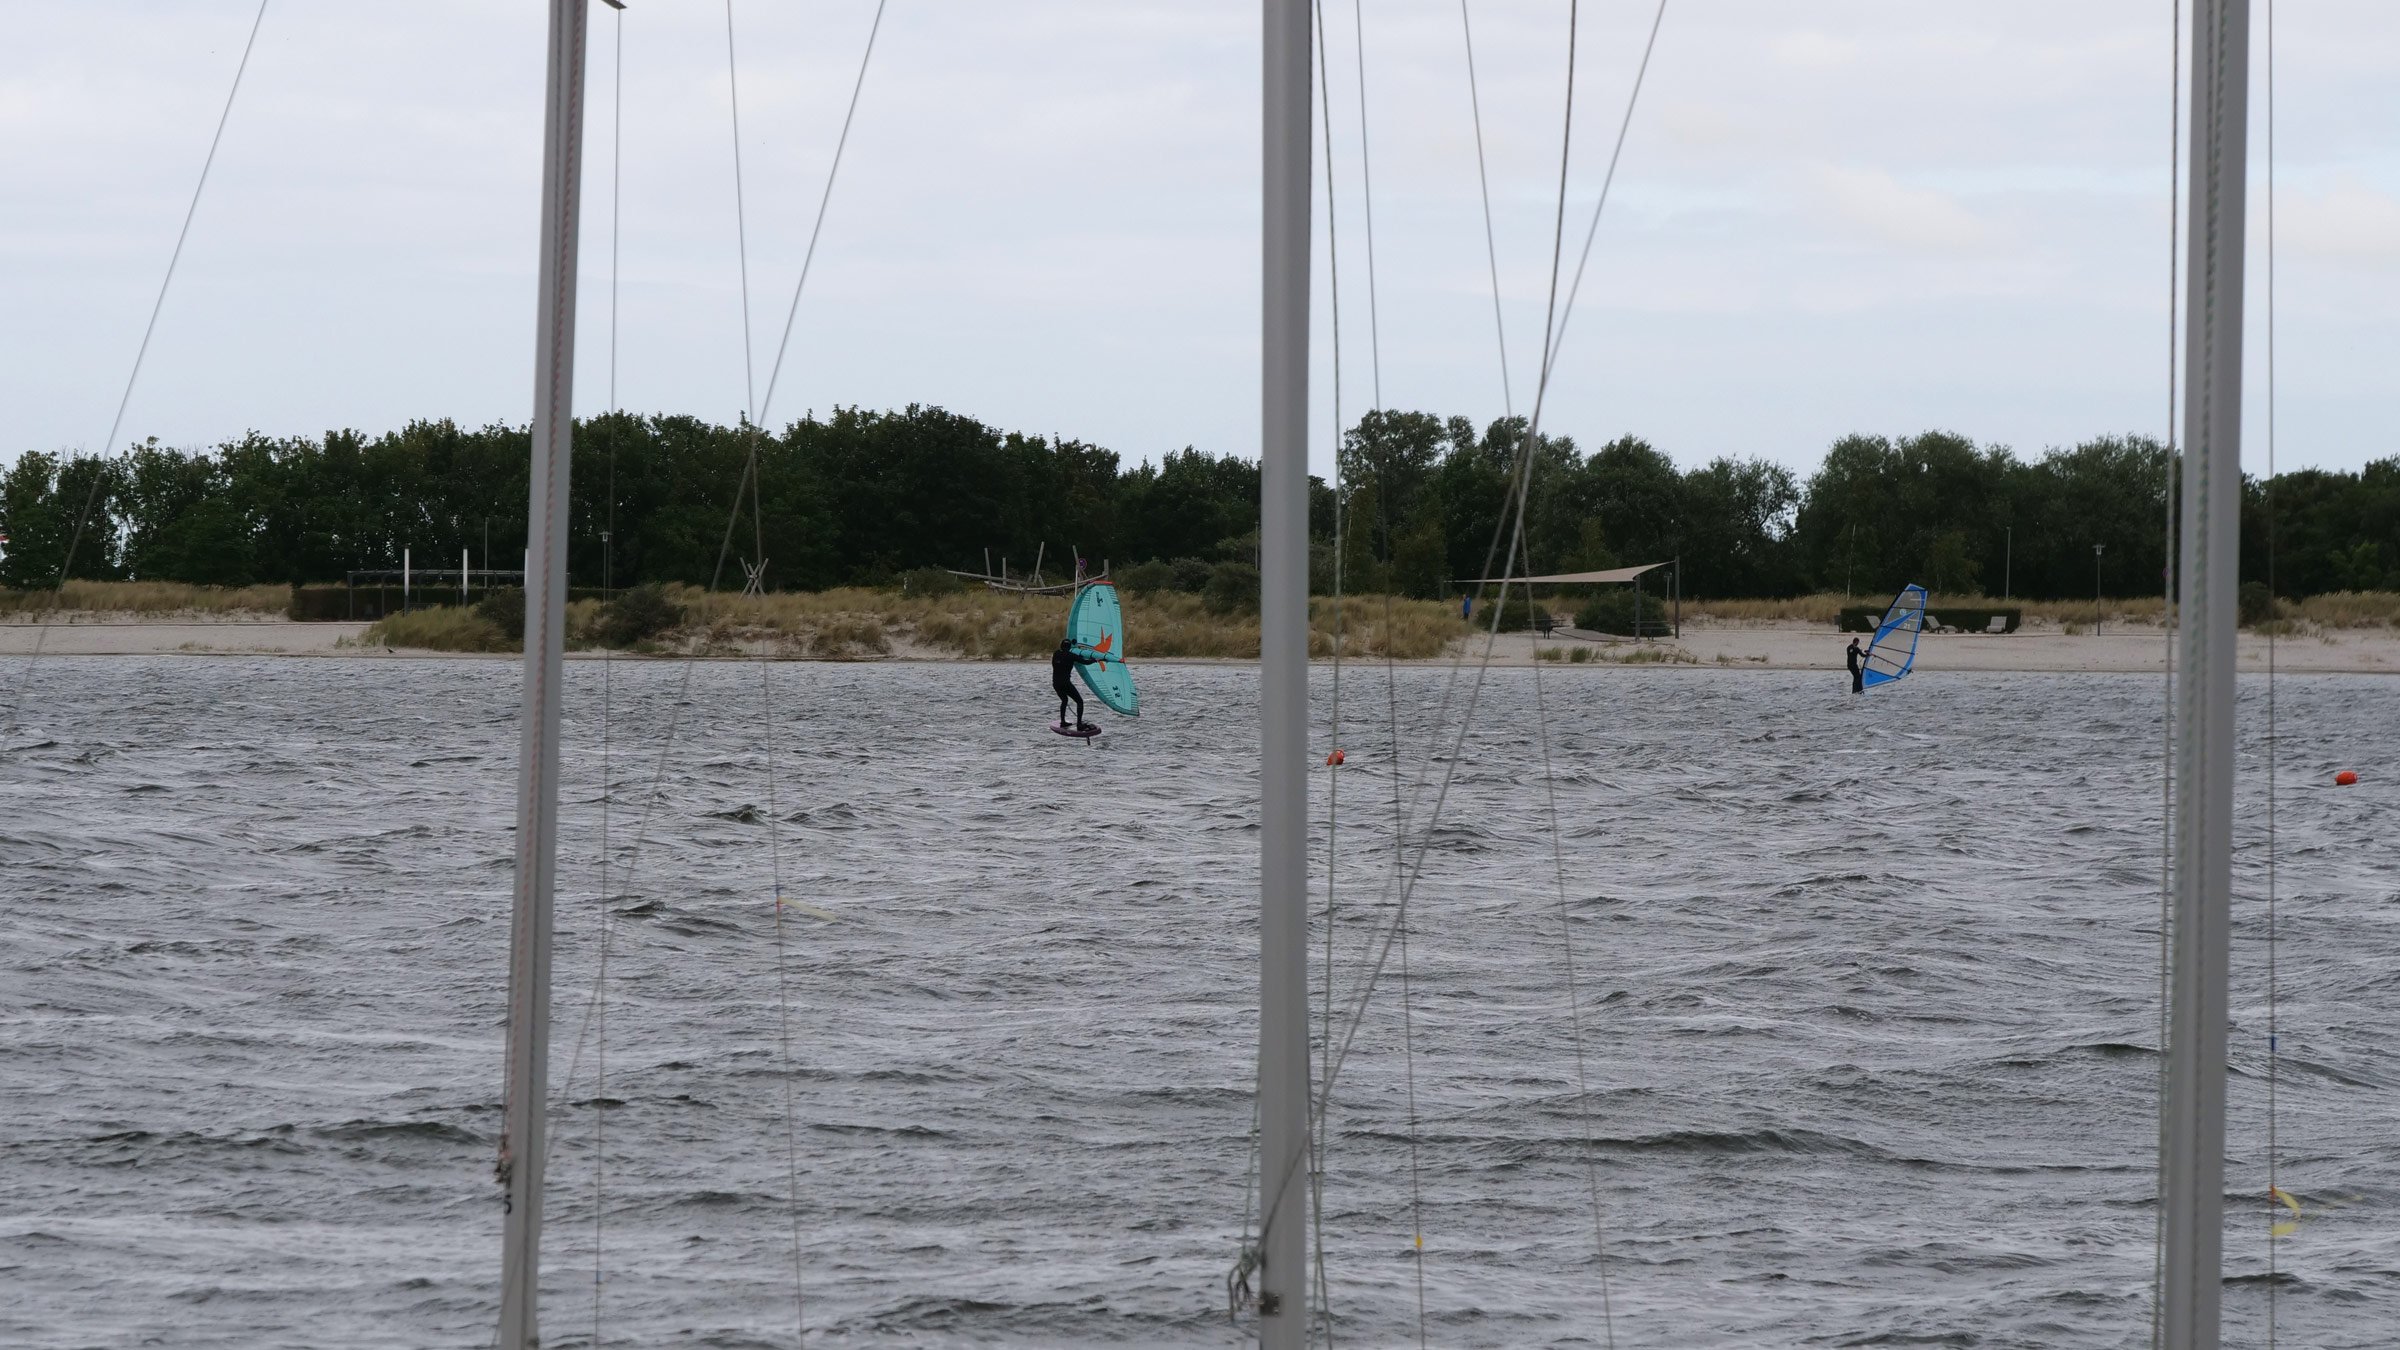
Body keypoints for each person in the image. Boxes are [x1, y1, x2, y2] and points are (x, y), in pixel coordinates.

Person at [1054, 636, 1100, 729]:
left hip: (1056, 683)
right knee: (1079, 702)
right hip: (1065, 683)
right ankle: (1079, 724)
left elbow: (1064, 657)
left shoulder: (1056, 653)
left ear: (1061, 646)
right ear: (1070, 647)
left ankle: (1063, 722)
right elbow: (1085, 662)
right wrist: (1095, 660)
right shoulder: (1071, 656)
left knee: (1064, 700)